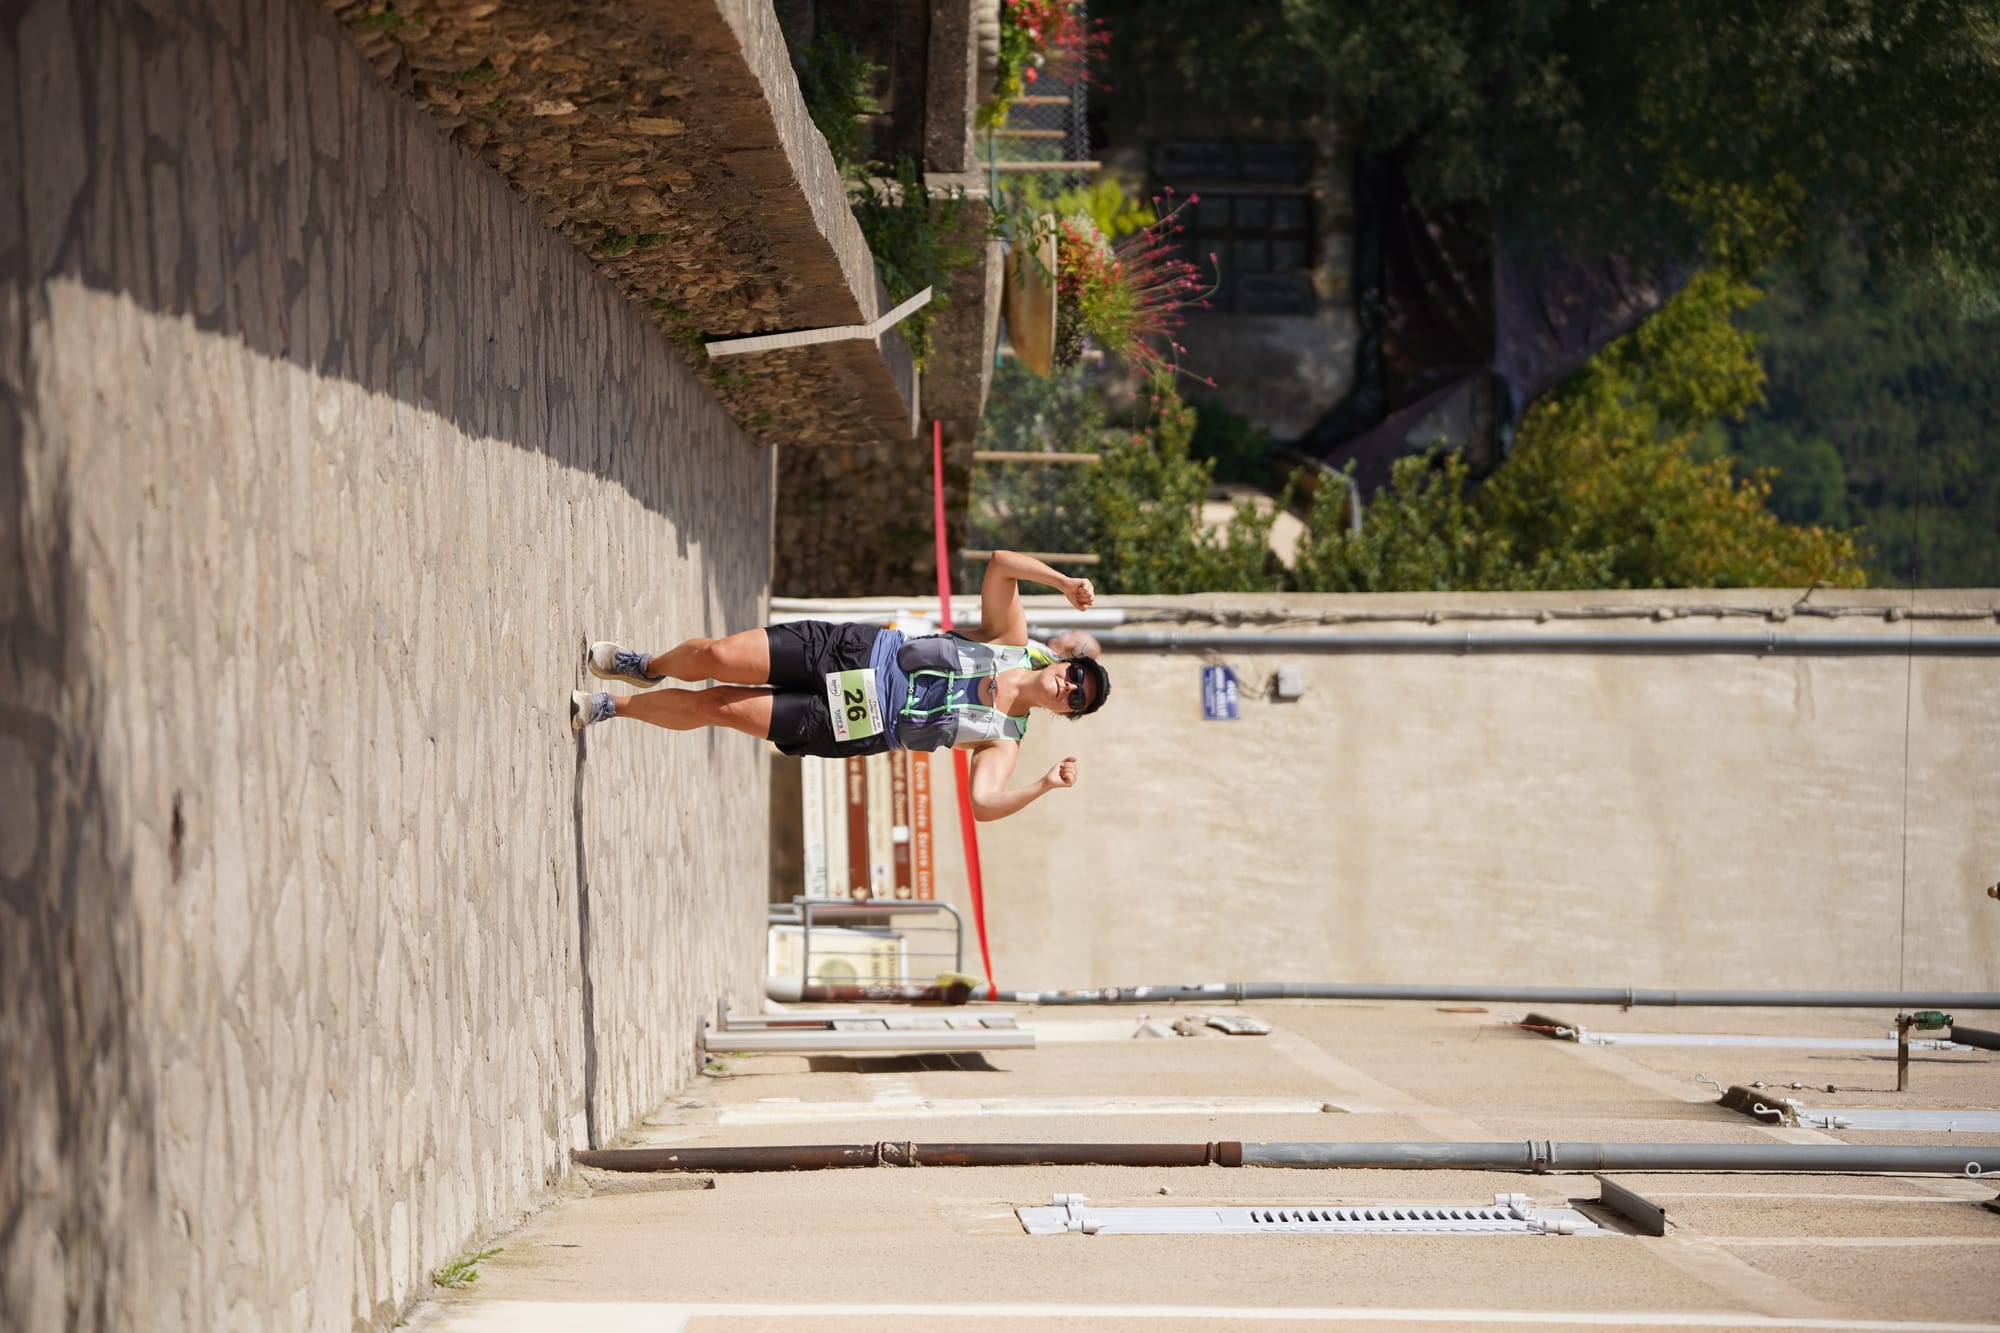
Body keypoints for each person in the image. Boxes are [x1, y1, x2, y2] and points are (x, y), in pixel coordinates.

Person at [570, 551, 1110, 823]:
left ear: (1067, 713)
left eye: (1077, 698)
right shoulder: (1011, 639)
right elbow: (1001, 565)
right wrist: (1063, 583)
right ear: (1068, 661)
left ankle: (613, 707)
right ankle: (648, 665)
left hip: (856, 722)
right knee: (716, 656)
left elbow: (984, 805)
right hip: (854, 650)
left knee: (722, 708)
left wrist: (1044, 785)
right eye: (1077, 674)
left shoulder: (1003, 739)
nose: (1070, 686)